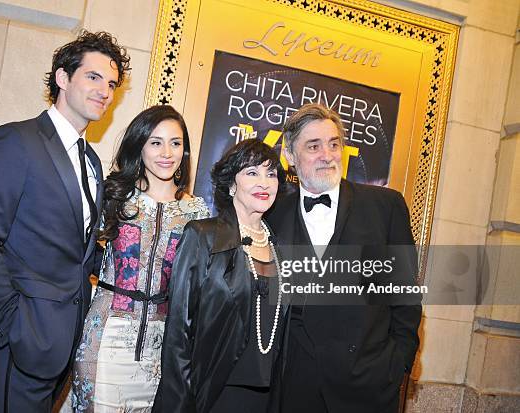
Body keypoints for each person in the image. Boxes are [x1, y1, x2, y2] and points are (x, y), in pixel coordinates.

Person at [0, 31, 130, 412]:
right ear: (62, 78)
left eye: (113, 84)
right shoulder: (16, 141)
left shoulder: (91, 162)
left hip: (66, 340)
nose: (105, 91)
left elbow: (78, 250)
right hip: (25, 335)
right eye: (94, 77)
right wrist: (13, 325)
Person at [267, 103, 422, 413]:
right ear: (289, 155)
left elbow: (404, 295)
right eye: (313, 146)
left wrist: (396, 365)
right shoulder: (272, 212)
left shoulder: (385, 206)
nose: (328, 154)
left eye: (334, 144)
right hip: (294, 388)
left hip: (367, 387)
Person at [72, 105, 210, 412]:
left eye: (176, 143)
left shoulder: (197, 214)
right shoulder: (113, 197)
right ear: (140, 146)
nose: (167, 152)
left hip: (162, 353)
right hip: (106, 342)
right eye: (156, 142)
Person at [153, 139, 287, 413]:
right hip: (213, 393)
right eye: (252, 173)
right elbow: (179, 331)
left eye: (270, 173)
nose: (264, 182)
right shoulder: (204, 236)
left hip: (266, 398)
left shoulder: (282, 250)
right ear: (231, 184)